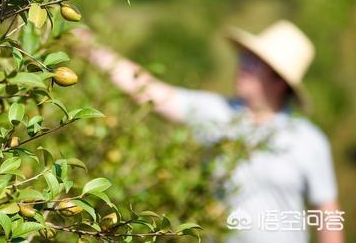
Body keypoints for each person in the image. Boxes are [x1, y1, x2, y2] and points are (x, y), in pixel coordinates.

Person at [74, 20, 343, 243]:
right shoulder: (217, 113)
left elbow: (327, 216)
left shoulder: (308, 140)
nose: (242, 66)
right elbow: (150, 91)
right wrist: (90, 47)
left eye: (254, 63)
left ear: (279, 80)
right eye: (245, 58)